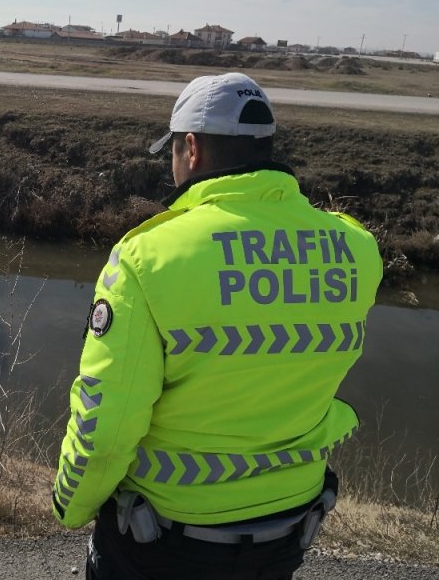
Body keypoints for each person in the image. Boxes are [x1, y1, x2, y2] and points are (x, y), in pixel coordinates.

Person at [52, 72, 382, 579]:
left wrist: (70, 505)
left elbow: (107, 423)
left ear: (191, 149)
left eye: (174, 153)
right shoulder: (356, 250)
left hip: (163, 539)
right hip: (287, 528)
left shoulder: (147, 258)